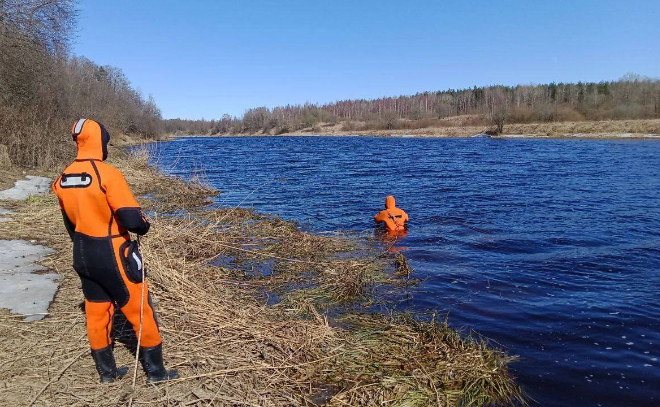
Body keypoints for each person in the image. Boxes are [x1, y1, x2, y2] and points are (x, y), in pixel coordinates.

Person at [52, 119, 178, 383]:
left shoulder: (62, 178)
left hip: (82, 252)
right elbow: (132, 219)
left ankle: (107, 374)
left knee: (96, 311)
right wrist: (144, 226)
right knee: (141, 309)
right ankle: (157, 373)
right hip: (113, 250)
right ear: (100, 141)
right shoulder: (108, 174)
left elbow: (69, 222)